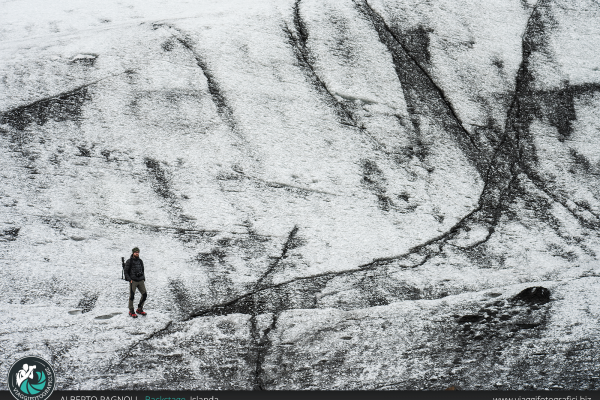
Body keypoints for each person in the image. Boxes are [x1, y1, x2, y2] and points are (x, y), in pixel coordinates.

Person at [124, 247, 147, 318]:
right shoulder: (129, 261)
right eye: (135, 252)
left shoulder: (140, 261)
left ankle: (139, 308)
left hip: (140, 280)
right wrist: (129, 279)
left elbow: (142, 270)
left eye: (138, 252)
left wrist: (143, 278)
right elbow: (126, 271)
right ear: (133, 253)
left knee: (144, 294)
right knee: (132, 296)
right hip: (133, 281)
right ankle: (131, 310)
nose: (137, 253)